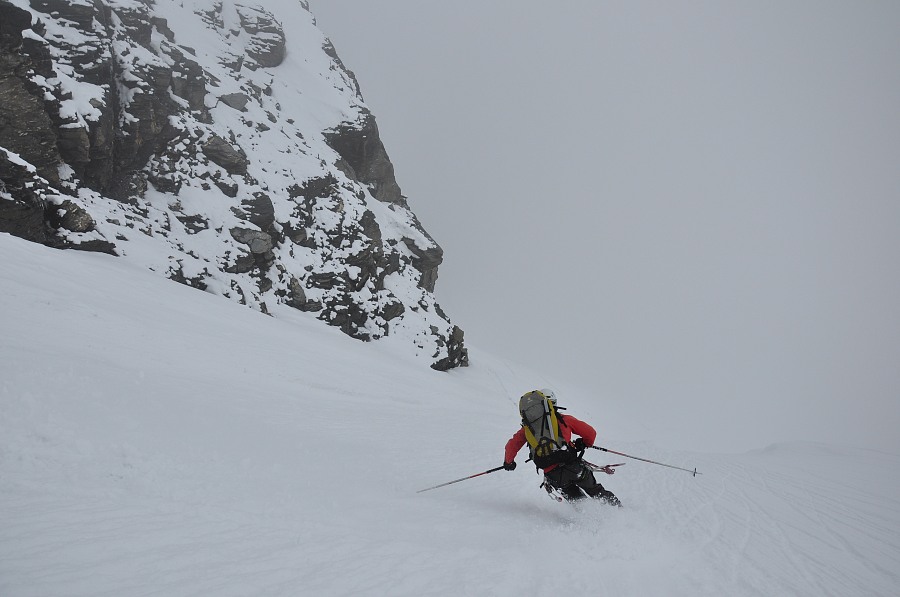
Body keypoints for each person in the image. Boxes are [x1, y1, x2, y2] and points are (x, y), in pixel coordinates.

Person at [503, 389, 621, 506]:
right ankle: (619, 510)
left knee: (578, 502)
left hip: (553, 476)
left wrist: (509, 462)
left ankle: (590, 520)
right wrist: (584, 443)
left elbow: (511, 446)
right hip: (573, 467)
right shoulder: (564, 420)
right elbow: (590, 433)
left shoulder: (527, 430)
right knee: (595, 491)